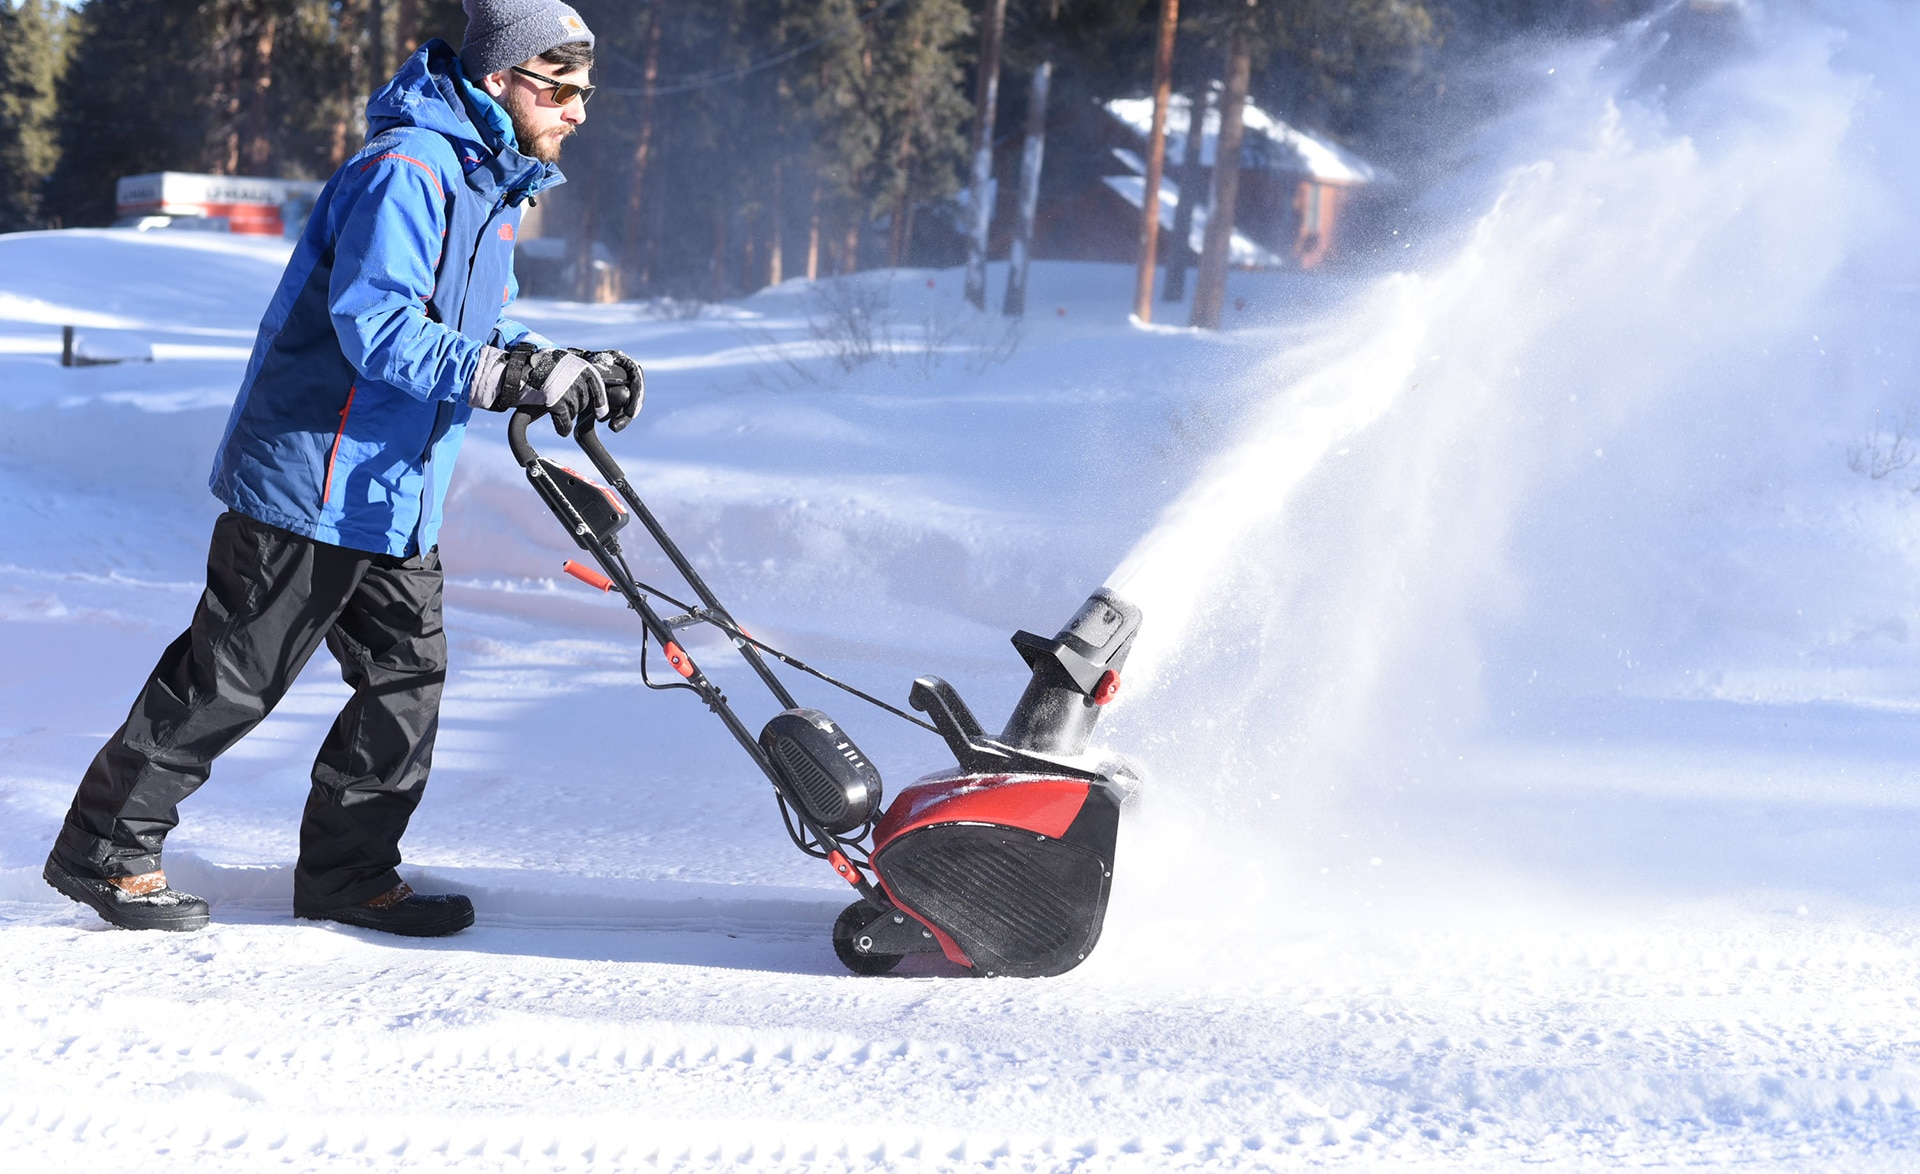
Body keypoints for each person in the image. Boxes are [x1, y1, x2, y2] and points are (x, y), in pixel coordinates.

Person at [41, 0, 641, 938]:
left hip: (392, 488)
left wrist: (566, 363)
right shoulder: (408, 169)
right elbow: (379, 327)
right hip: (311, 475)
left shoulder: (491, 184)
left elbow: (476, 331)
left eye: (585, 91)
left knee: (406, 681)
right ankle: (103, 848)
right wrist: (504, 375)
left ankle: (348, 876)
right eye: (559, 88)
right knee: (232, 676)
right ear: (500, 81)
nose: (577, 110)